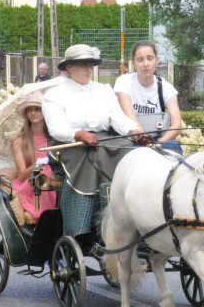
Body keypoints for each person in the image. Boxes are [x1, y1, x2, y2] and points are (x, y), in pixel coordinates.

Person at [42, 44, 146, 246]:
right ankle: (80, 228)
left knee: (134, 153)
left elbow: (118, 119)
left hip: (105, 140)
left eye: (91, 65)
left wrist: (134, 133)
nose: (89, 70)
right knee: (90, 158)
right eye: (83, 65)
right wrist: (78, 134)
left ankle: (136, 218)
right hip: (69, 146)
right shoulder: (53, 95)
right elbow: (56, 129)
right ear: (69, 67)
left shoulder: (103, 90)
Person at [114, 40, 184, 154]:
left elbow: (177, 124)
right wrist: (146, 142)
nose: (145, 64)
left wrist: (160, 142)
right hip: (132, 140)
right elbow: (131, 119)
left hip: (158, 141)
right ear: (133, 62)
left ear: (156, 61)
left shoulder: (166, 87)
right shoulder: (124, 82)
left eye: (150, 58)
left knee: (174, 146)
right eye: (140, 60)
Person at [7, 94, 57, 225]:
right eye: (29, 110)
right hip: (31, 185)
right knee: (43, 174)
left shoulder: (55, 139)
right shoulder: (19, 140)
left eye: (37, 109)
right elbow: (22, 175)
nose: (33, 113)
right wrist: (38, 164)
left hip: (54, 183)